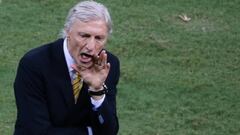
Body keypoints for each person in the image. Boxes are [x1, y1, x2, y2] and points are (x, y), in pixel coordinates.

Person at [13, 1, 120, 135]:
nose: (91, 47)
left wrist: (97, 91)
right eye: (84, 36)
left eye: (98, 38)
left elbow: (109, 131)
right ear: (68, 31)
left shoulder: (108, 65)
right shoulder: (34, 64)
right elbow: (36, 131)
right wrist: (89, 132)